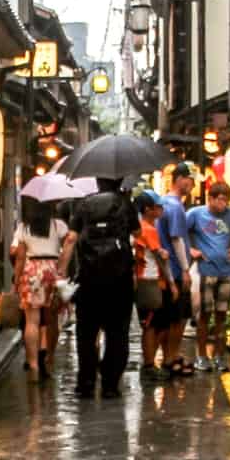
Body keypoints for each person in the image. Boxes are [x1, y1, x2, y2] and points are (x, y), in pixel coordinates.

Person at [69, 176, 137, 398]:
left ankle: (86, 382)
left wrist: (62, 271)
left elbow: (71, 239)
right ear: (119, 182)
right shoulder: (126, 204)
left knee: (86, 333)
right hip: (119, 280)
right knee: (118, 333)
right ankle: (110, 384)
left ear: (98, 183)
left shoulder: (83, 204)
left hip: (88, 279)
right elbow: (138, 234)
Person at [8, 197, 72, 381]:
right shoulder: (58, 225)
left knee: (32, 321)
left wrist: (16, 282)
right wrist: (63, 269)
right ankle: (48, 355)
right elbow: (69, 244)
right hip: (52, 270)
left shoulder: (23, 228)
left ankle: (34, 364)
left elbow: (20, 258)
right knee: (51, 319)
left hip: (32, 271)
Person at [185, 179, 230, 372]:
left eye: (226, 201)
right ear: (210, 198)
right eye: (219, 200)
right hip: (205, 270)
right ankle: (201, 356)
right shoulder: (195, 214)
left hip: (226, 271)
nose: (223, 205)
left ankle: (220, 356)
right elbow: (179, 232)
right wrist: (191, 249)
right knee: (204, 315)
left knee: (222, 315)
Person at [132, 191, 175, 380]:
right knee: (151, 325)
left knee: (153, 324)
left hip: (144, 280)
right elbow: (159, 258)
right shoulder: (148, 229)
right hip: (149, 280)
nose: (161, 209)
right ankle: (149, 365)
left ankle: (149, 363)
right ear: (148, 209)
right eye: (158, 206)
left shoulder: (139, 228)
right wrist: (172, 284)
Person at [158, 163, 196, 377]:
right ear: (180, 178)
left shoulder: (163, 203)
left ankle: (169, 355)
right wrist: (185, 269)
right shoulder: (175, 206)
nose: (191, 185)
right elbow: (177, 239)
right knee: (178, 317)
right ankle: (171, 357)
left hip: (164, 269)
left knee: (169, 317)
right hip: (174, 267)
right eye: (189, 180)